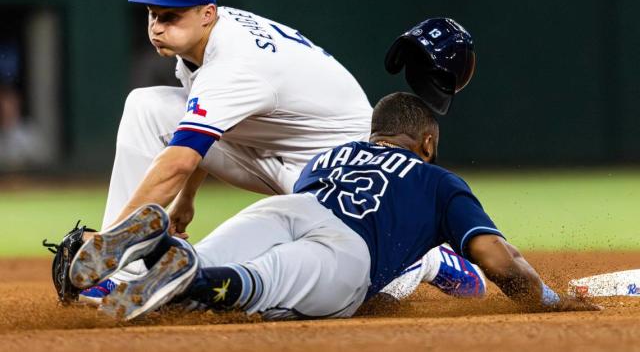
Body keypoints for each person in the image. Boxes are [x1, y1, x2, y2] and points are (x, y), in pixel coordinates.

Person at [79, 0, 482, 303]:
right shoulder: (202, 42)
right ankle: (122, 275)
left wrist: (105, 245)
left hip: (340, 165)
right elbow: (200, 128)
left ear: (207, 14)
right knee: (146, 106)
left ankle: (424, 261)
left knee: (361, 283)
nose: (157, 26)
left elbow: (179, 161)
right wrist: (186, 201)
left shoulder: (233, 65)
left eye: (171, 15)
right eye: (153, 13)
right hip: (274, 144)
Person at [69, 92, 599, 321]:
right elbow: (496, 259)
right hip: (346, 254)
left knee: (205, 268)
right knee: (259, 287)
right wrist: (548, 301)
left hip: (289, 208)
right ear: (427, 142)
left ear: (376, 132)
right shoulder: (439, 180)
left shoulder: (331, 154)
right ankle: (187, 276)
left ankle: (159, 248)